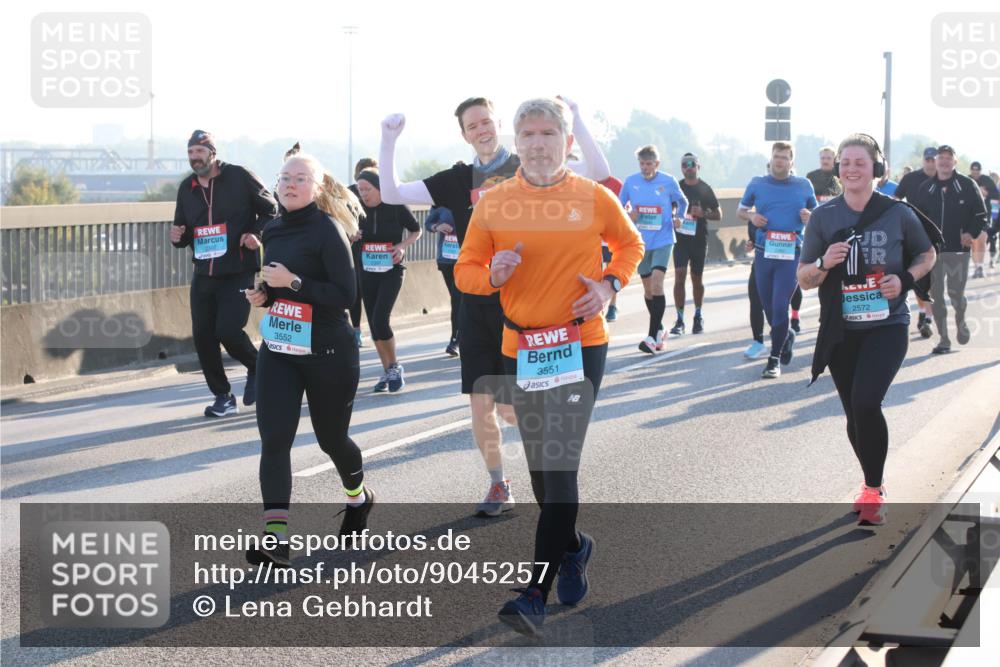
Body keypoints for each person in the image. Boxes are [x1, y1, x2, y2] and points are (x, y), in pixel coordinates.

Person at [455, 97, 643, 637]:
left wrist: (608, 286)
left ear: (567, 142)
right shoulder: (494, 202)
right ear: (516, 144)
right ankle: (575, 547)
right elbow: (466, 270)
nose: (538, 144)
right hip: (521, 350)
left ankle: (534, 593)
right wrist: (493, 275)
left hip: (579, 344)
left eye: (548, 133)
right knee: (542, 470)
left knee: (559, 463)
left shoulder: (592, 197)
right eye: (529, 135)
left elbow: (629, 245)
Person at [379, 95, 611, 516]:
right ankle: (498, 483)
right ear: (464, 135)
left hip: (523, 305)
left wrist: (577, 118)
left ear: (499, 124)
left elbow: (597, 173)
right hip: (476, 300)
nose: (481, 130)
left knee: (513, 411)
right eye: (472, 126)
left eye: (486, 121)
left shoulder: (529, 162)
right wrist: (388, 138)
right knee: (480, 400)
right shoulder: (456, 178)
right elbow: (392, 192)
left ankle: (552, 476)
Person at [244, 152, 373, 566]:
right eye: (285, 177)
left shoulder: (328, 229)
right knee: (274, 440)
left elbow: (345, 295)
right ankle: (276, 538)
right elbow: (278, 290)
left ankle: (358, 497)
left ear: (317, 189)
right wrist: (264, 295)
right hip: (281, 348)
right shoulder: (272, 229)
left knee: (331, 440)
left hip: (329, 351)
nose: (290, 184)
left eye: (300, 178)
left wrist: (294, 281)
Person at [799, 133, 936, 526]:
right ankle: (870, 480)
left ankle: (873, 490)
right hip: (841, 329)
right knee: (853, 413)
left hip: (887, 325)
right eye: (845, 163)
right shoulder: (824, 217)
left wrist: (905, 279)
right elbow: (804, 278)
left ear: (877, 168)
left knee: (865, 402)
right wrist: (824, 263)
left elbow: (927, 253)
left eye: (860, 162)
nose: (851, 169)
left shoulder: (898, 213)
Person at [171, 129, 277, 417]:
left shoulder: (239, 176)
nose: (195, 158)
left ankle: (258, 367)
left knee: (228, 331)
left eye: (199, 152)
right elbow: (183, 229)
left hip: (237, 268)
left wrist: (256, 234)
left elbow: (271, 210)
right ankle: (223, 396)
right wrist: (177, 236)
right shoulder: (186, 188)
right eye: (190, 152)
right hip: (204, 272)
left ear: (213, 153)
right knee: (203, 337)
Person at [738, 142, 817, 378]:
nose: (779, 161)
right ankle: (786, 335)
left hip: (791, 253)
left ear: (792, 162)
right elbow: (741, 210)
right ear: (771, 159)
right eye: (776, 156)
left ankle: (774, 359)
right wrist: (752, 216)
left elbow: (818, 214)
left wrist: (809, 217)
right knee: (769, 307)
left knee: (781, 304)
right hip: (764, 252)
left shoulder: (803, 185)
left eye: (784, 157)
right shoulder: (757, 183)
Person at [910, 145, 989, 354]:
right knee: (935, 296)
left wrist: (970, 233)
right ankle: (944, 340)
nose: (944, 161)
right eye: (941, 157)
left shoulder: (967, 185)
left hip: (958, 250)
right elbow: (917, 220)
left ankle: (961, 321)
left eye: (948, 158)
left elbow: (981, 215)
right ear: (936, 161)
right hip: (933, 252)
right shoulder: (926, 188)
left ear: (955, 162)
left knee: (956, 294)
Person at [354, 169, 422, 392]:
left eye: (367, 189)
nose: (363, 194)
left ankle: (394, 366)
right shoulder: (356, 208)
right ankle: (387, 370)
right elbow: (344, 232)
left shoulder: (395, 205)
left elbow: (416, 230)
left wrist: (401, 247)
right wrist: (352, 235)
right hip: (366, 270)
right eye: (360, 190)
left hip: (392, 269)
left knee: (381, 319)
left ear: (380, 188)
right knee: (373, 324)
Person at [619, 145, 688, 353]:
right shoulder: (631, 182)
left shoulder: (668, 181)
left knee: (657, 284)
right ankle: (659, 330)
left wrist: (679, 218)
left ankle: (650, 337)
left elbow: (682, 202)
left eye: (649, 164)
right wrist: (628, 215)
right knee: (648, 290)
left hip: (663, 239)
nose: (645, 168)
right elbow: (619, 207)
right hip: (641, 242)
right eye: (642, 164)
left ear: (657, 164)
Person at [671, 153, 720, 335]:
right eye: (685, 164)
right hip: (680, 239)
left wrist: (703, 214)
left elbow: (719, 214)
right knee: (679, 276)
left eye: (692, 163)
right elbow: (668, 207)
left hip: (699, 239)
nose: (688, 167)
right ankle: (679, 320)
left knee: (696, 279)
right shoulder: (676, 187)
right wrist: (673, 216)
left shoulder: (705, 188)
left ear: (698, 166)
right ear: (681, 168)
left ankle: (698, 316)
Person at [894, 147, 939, 338]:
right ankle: (924, 313)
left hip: (940, 236)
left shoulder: (947, 180)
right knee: (918, 278)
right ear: (923, 160)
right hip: (915, 234)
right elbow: (896, 199)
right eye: (927, 159)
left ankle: (927, 316)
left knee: (935, 281)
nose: (930, 162)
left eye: (933, 159)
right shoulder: (911, 178)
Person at [348, 157, 378, 346]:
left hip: (377, 248)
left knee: (373, 290)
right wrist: (349, 232)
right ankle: (356, 330)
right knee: (356, 290)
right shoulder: (349, 192)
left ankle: (378, 329)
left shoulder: (383, 190)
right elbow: (338, 216)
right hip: (356, 245)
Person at [425, 205, 462, 355]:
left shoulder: (472, 200)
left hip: (467, 262)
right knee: (457, 299)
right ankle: (458, 338)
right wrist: (437, 226)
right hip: (446, 260)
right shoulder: (440, 203)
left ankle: (455, 340)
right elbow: (428, 223)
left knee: (458, 300)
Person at [598, 176, 624, 321]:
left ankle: (612, 306)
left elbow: (624, 208)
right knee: (594, 272)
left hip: (610, 237)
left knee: (611, 272)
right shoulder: (583, 182)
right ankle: (597, 305)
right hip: (592, 237)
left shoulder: (616, 184)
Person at [969, 161, 999, 276]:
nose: (975, 172)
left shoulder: (987, 180)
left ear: (980, 171)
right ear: (971, 170)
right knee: (973, 242)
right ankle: (976, 266)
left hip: (985, 214)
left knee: (982, 239)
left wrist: (986, 193)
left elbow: (997, 195)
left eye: (977, 170)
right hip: (970, 215)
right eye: (973, 170)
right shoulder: (966, 180)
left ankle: (980, 266)